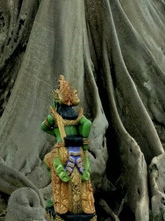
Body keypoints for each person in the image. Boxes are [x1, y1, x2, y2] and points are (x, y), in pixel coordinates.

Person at [41, 75, 96, 220]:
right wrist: (83, 140)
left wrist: (55, 132)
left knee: (48, 160)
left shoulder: (54, 116)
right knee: (85, 176)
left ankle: (57, 199)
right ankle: (86, 204)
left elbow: (43, 127)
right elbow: (88, 124)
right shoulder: (77, 115)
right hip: (80, 150)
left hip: (61, 149)